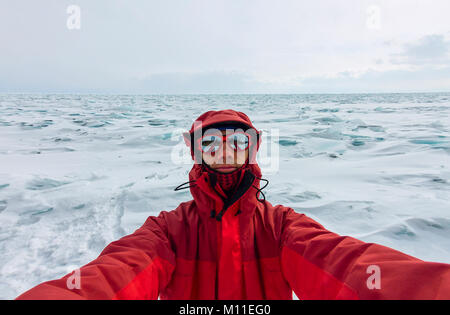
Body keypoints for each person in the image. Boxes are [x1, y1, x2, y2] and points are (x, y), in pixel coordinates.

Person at [16, 109, 450, 300]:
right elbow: (112, 277)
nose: (225, 153)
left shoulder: (281, 227)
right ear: (196, 152)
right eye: (212, 143)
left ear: (253, 150)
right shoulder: (166, 231)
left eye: (237, 143)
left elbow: (349, 264)